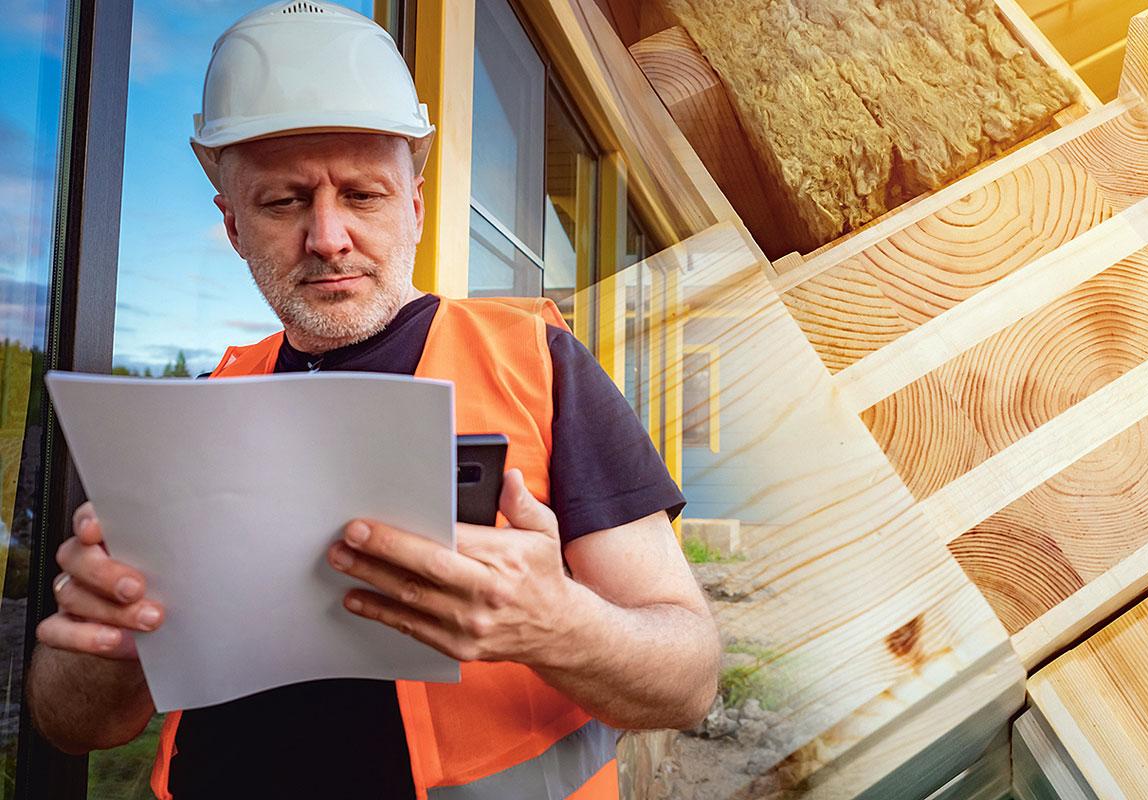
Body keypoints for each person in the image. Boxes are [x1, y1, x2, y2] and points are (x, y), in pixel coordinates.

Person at [25, 3, 720, 798]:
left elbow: (688, 677)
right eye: (283, 202)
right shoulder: (195, 416)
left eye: (362, 195)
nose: (326, 237)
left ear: (415, 208)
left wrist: (557, 621)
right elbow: (75, 725)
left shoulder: (538, 361)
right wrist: (101, 641)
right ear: (233, 225)